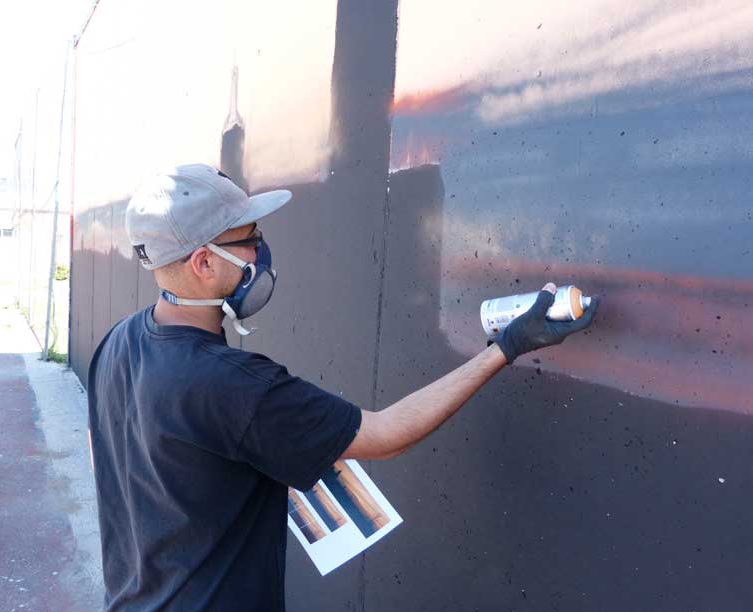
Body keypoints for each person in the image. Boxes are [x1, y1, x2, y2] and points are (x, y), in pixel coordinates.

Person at [87, 164, 600, 611]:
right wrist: (507, 346)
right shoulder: (230, 384)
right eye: (249, 238)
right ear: (204, 262)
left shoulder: (117, 342)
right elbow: (386, 434)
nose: (261, 249)